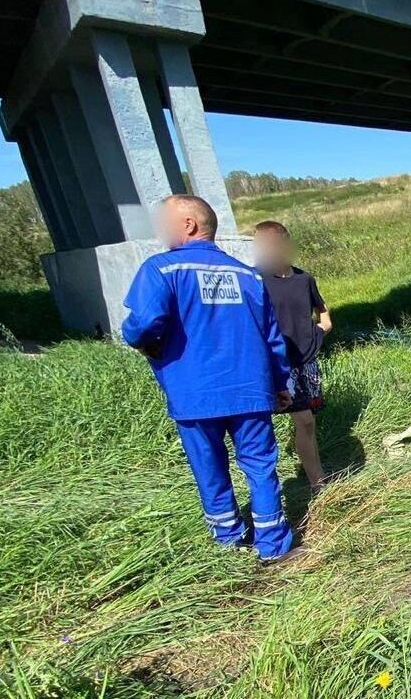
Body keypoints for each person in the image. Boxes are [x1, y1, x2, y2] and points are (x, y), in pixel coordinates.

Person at [122, 195, 297, 564]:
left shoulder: (161, 270)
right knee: (261, 465)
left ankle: (229, 540)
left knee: (210, 468)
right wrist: (281, 384)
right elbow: (272, 337)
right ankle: (273, 545)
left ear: (188, 225)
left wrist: (141, 341)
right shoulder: (248, 275)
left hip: (195, 393)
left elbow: (144, 324)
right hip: (252, 389)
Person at [253, 221, 332, 492]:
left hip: (305, 362)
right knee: (281, 422)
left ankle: (316, 481)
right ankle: (300, 483)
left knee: (307, 421)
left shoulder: (304, 279)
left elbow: (323, 312)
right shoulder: (256, 281)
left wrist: (319, 332)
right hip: (275, 363)